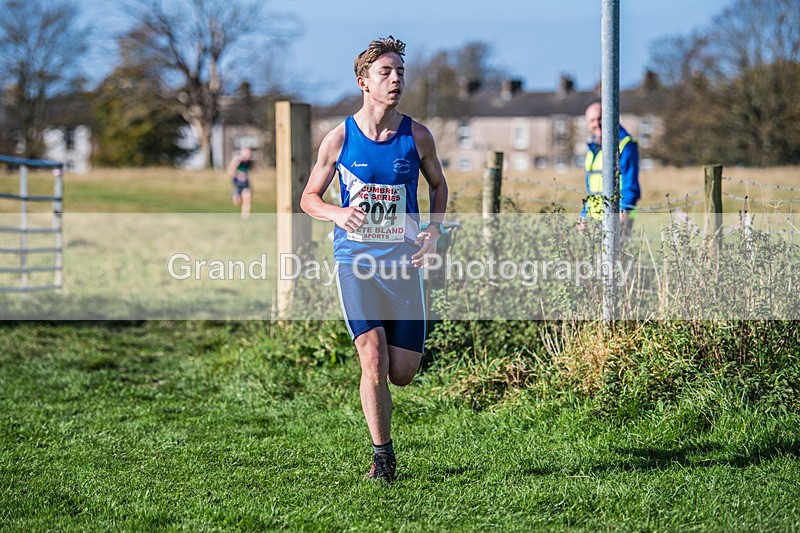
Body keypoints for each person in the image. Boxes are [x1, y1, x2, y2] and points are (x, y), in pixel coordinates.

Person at [300, 36, 448, 483]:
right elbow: (308, 198)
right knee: (373, 357)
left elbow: (439, 187)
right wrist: (337, 212)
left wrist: (433, 231)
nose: (396, 79)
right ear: (364, 82)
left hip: (403, 266)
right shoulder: (340, 138)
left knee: (401, 373)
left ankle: (383, 437)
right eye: (386, 72)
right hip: (355, 263)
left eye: (400, 71)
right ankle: (382, 458)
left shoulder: (417, 136)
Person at [579, 102, 640, 237]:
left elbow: (630, 182)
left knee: (618, 257)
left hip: (618, 217)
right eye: (592, 120)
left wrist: (624, 210)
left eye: (600, 118)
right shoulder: (592, 150)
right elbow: (591, 190)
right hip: (595, 220)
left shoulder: (624, 145)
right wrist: (584, 215)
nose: (597, 124)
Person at [227, 145, 254, 219]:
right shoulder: (237, 160)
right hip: (237, 182)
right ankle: (235, 195)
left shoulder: (249, 162)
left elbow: (251, 171)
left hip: (245, 183)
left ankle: (245, 216)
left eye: (249, 153)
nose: (248, 155)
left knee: (247, 198)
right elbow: (230, 171)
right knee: (237, 201)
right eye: (246, 153)